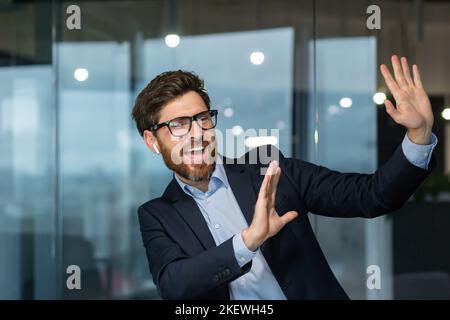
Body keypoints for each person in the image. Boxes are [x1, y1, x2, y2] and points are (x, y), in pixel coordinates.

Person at [132, 55, 437, 299]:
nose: (197, 134)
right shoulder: (158, 215)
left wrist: (419, 135)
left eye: (202, 119)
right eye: (180, 125)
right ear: (151, 140)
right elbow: (174, 286)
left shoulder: (270, 168)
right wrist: (248, 241)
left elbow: (372, 195)